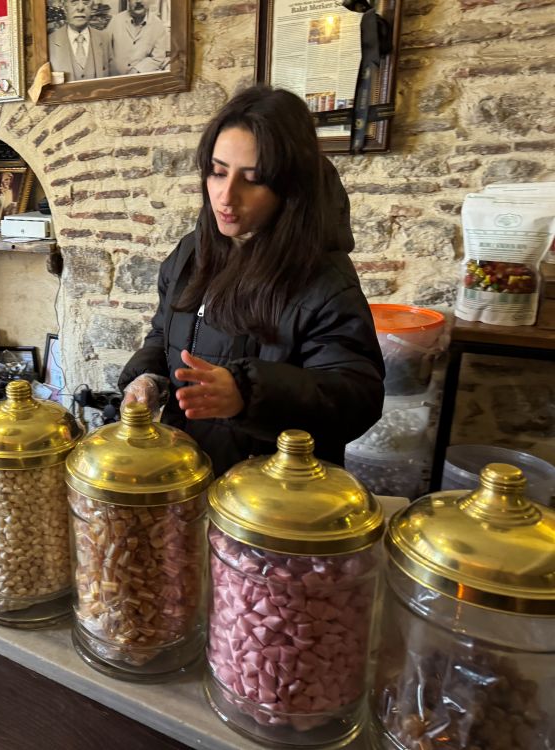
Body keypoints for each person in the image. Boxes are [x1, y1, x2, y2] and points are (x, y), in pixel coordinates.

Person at [119, 85, 385, 475]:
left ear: (289, 186)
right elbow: (165, 333)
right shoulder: (191, 254)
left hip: (274, 497)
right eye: (217, 172)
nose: (226, 196)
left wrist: (248, 393)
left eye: (253, 179)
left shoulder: (324, 279)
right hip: (189, 470)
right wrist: (149, 377)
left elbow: (356, 397)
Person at [47, 0, 111, 82]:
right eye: (74, 1)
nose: (80, 8)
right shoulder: (50, 42)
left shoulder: (104, 39)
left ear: (92, 7)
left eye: (86, 2)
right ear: (64, 7)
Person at [106, 0, 169, 77]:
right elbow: (105, 51)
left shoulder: (158, 25)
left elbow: (157, 58)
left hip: (140, 81)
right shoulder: (116, 20)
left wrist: (136, 70)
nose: (138, 1)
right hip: (113, 80)